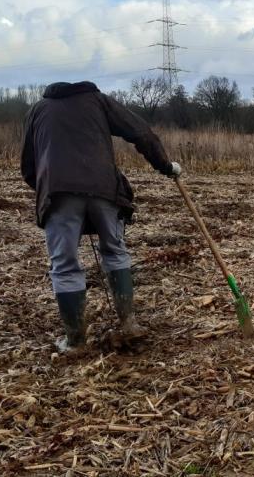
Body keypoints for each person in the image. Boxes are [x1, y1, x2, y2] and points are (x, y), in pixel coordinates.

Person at [21, 80, 181, 354]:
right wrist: (166, 166)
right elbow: (141, 132)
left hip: (57, 191)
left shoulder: (39, 109)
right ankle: (129, 324)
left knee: (64, 264)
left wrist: (54, 189)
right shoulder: (97, 101)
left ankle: (75, 342)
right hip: (103, 187)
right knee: (115, 250)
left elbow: (28, 166)